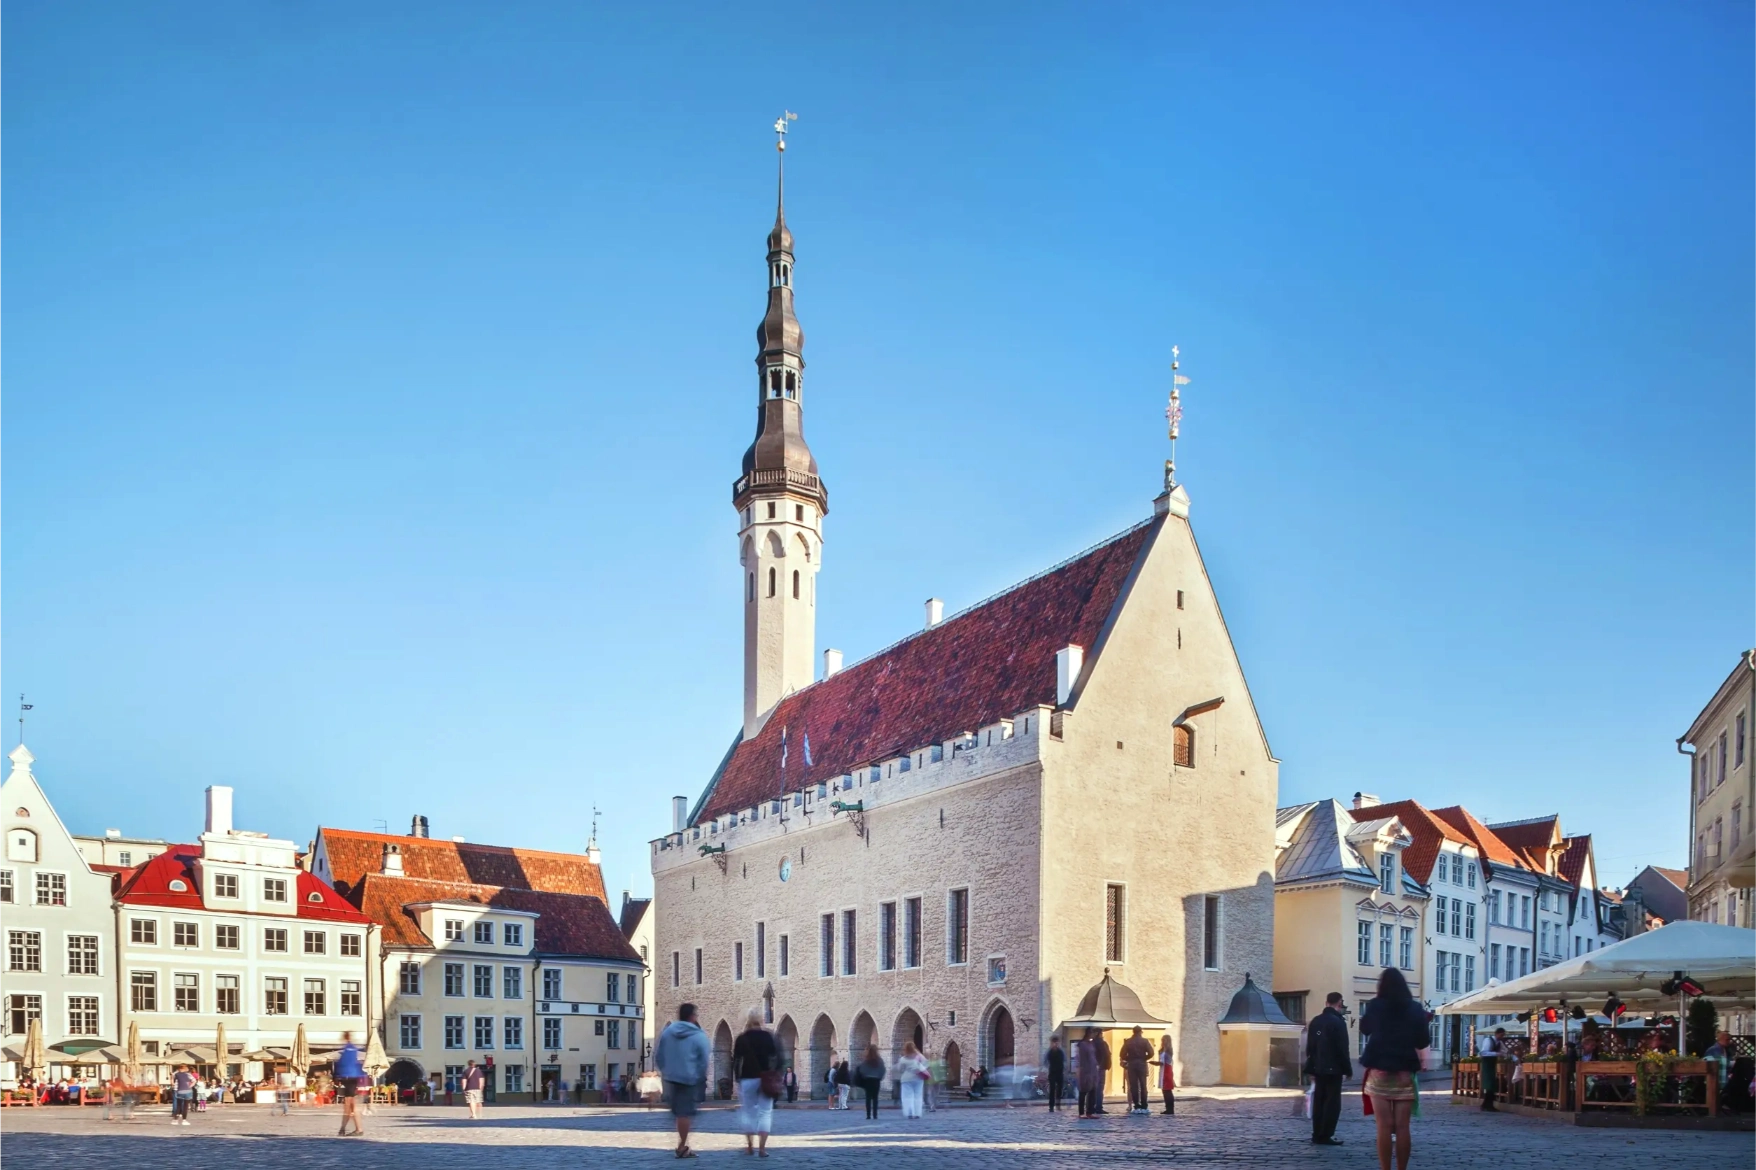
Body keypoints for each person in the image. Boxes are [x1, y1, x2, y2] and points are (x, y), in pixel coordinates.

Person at [1359, 967, 1430, 1170]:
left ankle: (1385, 1169)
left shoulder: (1375, 1005)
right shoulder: (1415, 1009)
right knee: (1402, 1127)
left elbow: (1365, 1029)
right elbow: (1423, 1040)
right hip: (1404, 1072)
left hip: (1379, 1070)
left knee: (1383, 1126)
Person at [655, 1002, 711, 1159]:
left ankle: (682, 1144)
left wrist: (666, 1071)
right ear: (692, 1017)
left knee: (679, 1113)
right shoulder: (698, 1035)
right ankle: (682, 1146)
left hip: (671, 1078)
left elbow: (658, 1055)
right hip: (689, 1079)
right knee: (684, 1113)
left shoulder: (668, 1032)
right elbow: (704, 1059)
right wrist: (700, 1076)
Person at [1303, 992, 1352, 1144]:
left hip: (1318, 1067)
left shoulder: (1316, 1021)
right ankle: (1327, 1134)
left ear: (1326, 1003)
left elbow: (1310, 1047)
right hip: (1334, 1069)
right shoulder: (1338, 1022)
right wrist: (1347, 1069)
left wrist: (1311, 1068)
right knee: (1332, 1103)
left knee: (1319, 1101)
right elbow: (1343, 1048)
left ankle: (1317, 1133)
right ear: (1339, 1003)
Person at [732, 1007, 779, 1157]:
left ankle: (750, 1146)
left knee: (748, 1112)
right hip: (765, 1078)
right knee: (765, 1113)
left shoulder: (742, 1038)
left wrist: (737, 1077)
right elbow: (777, 1057)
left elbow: (736, 1060)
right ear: (761, 1019)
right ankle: (762, 1149)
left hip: (747, 1078)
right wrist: (775, 1073)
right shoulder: (767, 1036)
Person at [335, 1031, 365, 1136]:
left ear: (345, 1037)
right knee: (350, 1105)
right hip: (353, 1077)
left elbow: (343, 1064)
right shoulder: (353, 1048)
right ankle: (346, 1129)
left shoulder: (347, 1049)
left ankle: (355, 1129)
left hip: (348, 1077)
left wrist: (336, 1075)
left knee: (349, 1105)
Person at [1120, 1026, 1153, 1115]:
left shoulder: (1128, 1042)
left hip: (1132, 1065)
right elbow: (1151, 1053)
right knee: (1143, 1085)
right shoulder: (1145, 1041)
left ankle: (1136, 1106)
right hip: (1142, 1064)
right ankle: (1144, 1105)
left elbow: (1122, 1054)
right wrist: (1144, 1058)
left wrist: (1129, 1058)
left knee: (1133, 1086)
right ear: (1140, 1032)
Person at [895, 1040, 929, 1119]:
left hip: (906, 1078)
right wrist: (919, 1068)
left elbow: (900, 1069)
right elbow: (926, 1063)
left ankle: (909, 1113)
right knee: (918, 1096)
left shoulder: (903, 1059)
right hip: (918, 1078)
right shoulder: (919, 1056)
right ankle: (917, 1113)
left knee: (907, 1096)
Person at [855, 1044, 886, 1120]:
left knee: (868, 1098)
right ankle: (875, 1115)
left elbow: (862, 1070)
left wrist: (865, 1076)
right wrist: (880, 1077)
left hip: (868, 1080)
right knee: (875, 1098)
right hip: (876, 1080)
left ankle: (868, 1115)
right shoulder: (879, 1060)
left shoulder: (866, 1060)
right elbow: (883, 1070)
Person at [1075, 1031, 1101, 1118]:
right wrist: (1079, 1070)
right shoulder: (1082, 1045)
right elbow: (1080, 1059)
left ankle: (1090, 1112)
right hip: (1085, 1071)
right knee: (1083, 1091)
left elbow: (1093, 1057)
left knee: (1093, 1091)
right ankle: (1081, 1112)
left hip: (1092, 1071)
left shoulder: (1091, 1044)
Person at [1478, 1027, 1505, 1111]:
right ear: (1496, 1034)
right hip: (1486, 1064)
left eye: (1503, 1035)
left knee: (1492, 1085)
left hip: (1492, 1065)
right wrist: (1496, 1053)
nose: (1502, 1037)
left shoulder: (1499, 1043)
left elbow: (1505, 1051)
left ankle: (1486, 1104)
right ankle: (1488, 1105)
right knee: (1489, 1085)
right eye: (1501, 1035)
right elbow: (1483, 1053)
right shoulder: (1488, 1040)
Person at [1152, 1034, 1176, 1115]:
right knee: (1164, 1090)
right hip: (1163, 1069)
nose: (1162, 1042)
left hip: (1167, 1070)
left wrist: (1156, 1062)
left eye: (1163, 1040)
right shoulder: (1162, 1050)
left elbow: (1165, 1061)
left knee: (1167, 1090)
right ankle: (1167, 1108)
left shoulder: (1168, 1050)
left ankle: (1170, 1109)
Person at [1044, 1035, 1066, 1111]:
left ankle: (1058, 1105)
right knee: (1052, 1089)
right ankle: (1051, 1106)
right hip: (1052, 1072)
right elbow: (1045, 1062)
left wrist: (1064, 1069)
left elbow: (1065, 1060)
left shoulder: (1061, 1051)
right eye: (1054, 1042)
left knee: (1059, 1089)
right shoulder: (1049, 1052)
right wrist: (1047, 1069)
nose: (1055, 1044)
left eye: (1056, 1042)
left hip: (1060, 1072)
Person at [1094, 1031, 1112, 1113]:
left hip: (1092, 1069)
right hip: (1101, 1068)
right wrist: (1107, 1065)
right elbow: (1107, 1055)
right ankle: (1098, 1107)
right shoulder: (1103, 1043)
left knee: (1093, 1088)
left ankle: (1091, 1107)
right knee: (1100, 1088)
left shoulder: (1091, 1043)